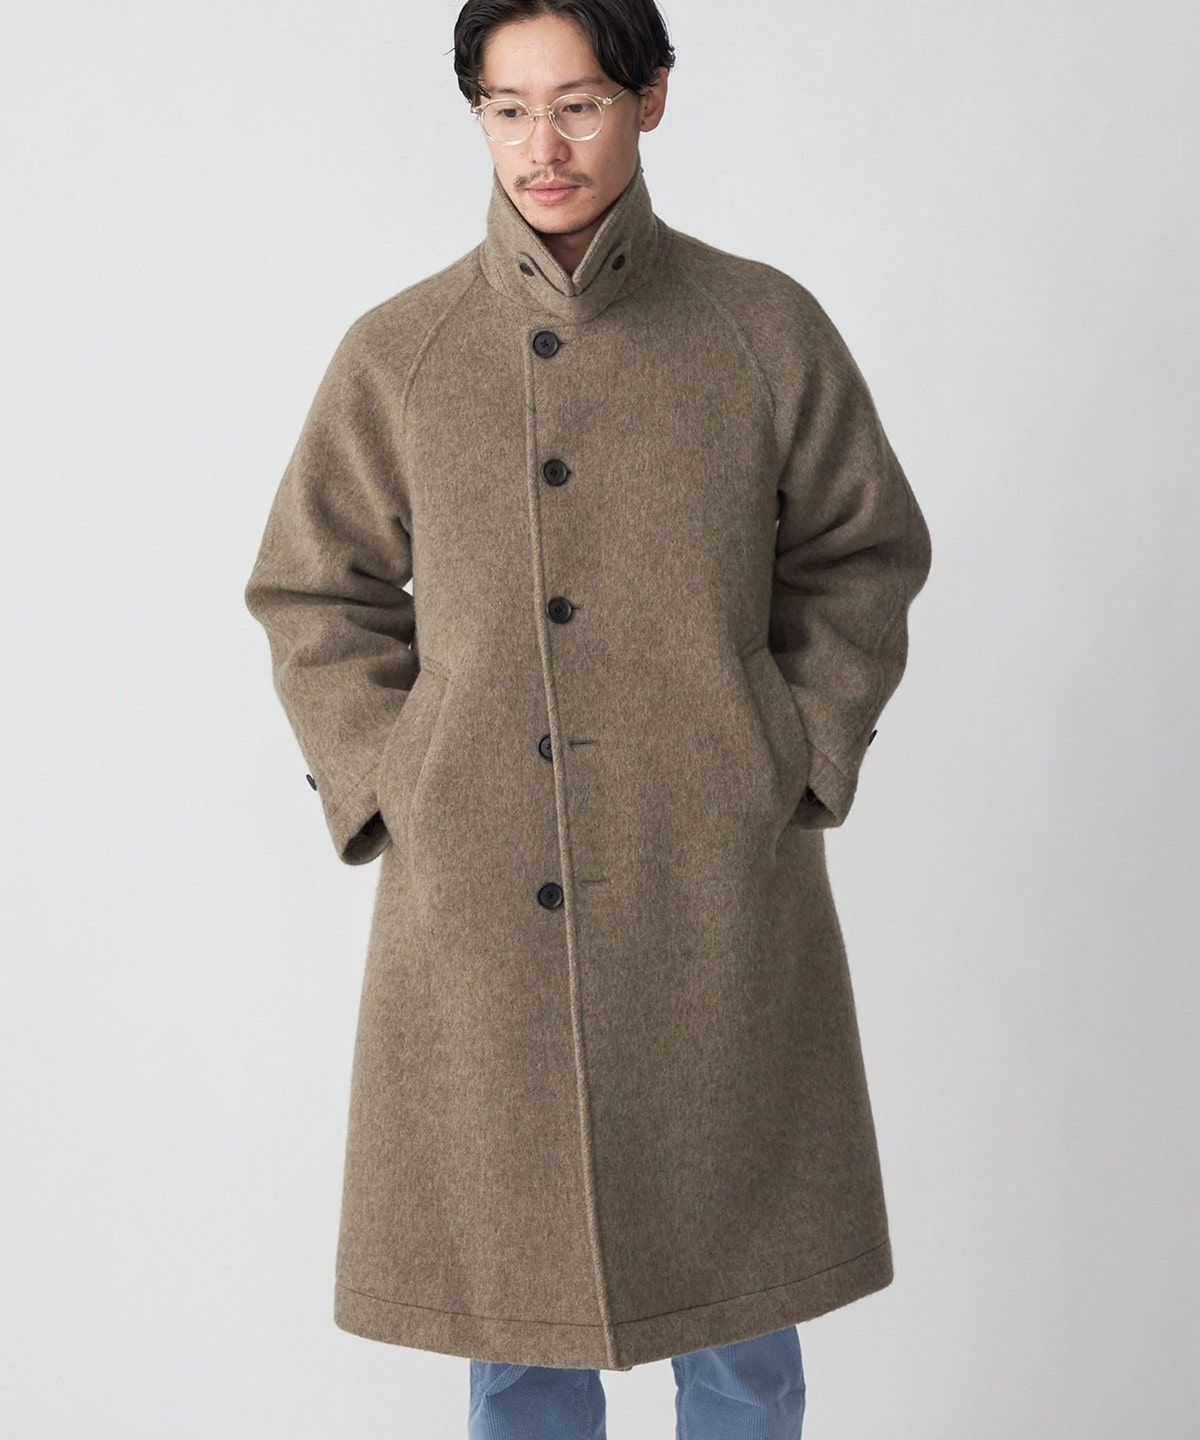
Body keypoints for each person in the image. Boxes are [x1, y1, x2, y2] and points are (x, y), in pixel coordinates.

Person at [244, 2, 932, 1436]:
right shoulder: (403, 351)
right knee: (516, 1328)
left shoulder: (762, 327)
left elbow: (861, 553)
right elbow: (315, 587)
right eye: (507, 109)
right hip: (481, 903)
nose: (541, 146)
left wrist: (794, 750)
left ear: (650, 100)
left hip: (715, 891)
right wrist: (397, 776)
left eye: (578, 104)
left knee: (741, 1319)